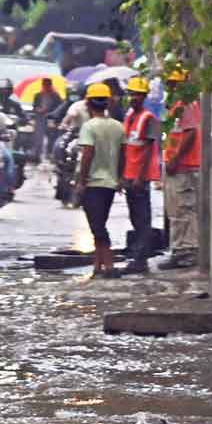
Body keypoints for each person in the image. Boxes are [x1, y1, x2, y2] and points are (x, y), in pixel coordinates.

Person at [72, 82, 125, 279]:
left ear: (87, 103)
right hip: (110, 184)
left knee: (97, 226)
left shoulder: (89, 127)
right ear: (108, 103)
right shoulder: (118, 127)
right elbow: (123, 155)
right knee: (99, 223)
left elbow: (87, 154)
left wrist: (81, 181)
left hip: (93, 183)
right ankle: (98, 265)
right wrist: (119, 177)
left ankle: (108, 265)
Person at [160, 69, 201, 269]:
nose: (171, 87)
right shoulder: (175, 107)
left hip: (184, 167)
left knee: (184, 210)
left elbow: (191, 132)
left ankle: (187, 251)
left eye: (174, 83)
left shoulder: (186, 105)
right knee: (176, 211)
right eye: (169, 83)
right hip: (178, 167)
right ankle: (179, 250)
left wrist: (176, 159)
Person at [121, 76, 160, 274]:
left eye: (137, 95)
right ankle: (138, 256)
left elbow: (146, 150)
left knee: (142, 218)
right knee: (135, 217)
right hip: (129, 174)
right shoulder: (130, 117)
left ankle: (140, 259)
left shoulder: (148, 119)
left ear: (144, 97)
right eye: (132, 94)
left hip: (139, 177)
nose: (134, 98)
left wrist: (139, 177)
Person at [31, 77, 64, 162]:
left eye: (48, 85)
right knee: (38, 137)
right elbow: (34, 107)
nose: (46, 87)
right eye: (44, 85)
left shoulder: (56, 95)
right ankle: (36, 156)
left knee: (51, 137)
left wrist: (52, 113)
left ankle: (49, 154)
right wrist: (38, 110)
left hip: (51, 118)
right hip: (40, 118)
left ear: (50, 85)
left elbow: (60, 107)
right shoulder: (37, 95)